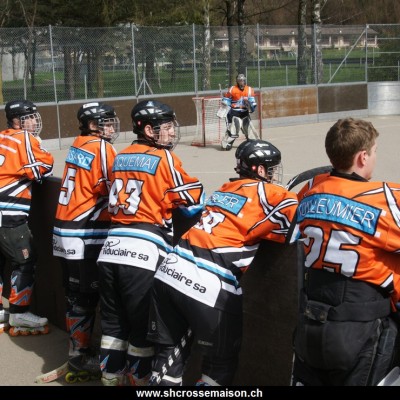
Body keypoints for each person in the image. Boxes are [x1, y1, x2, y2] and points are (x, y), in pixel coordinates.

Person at [147, 139, 299, 386]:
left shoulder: (224, 189)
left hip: (168, 272)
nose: (273, 174)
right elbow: (296, 230)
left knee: (168, 358)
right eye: (271, 169)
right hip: (210, 284)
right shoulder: (272, 194)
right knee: (220, 365)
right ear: (261, 170)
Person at [97, 99, 205, 386]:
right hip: (142, 253)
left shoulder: (120, 156)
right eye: (166, 127)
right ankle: (138, 381)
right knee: (142, 327)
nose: (172, 132)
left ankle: (110, 378)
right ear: (148, 129)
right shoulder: (164, 157)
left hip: (110, 250)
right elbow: (192, 197)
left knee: (113, 324)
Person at [289, 117, 400, 386]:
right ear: (363, 157)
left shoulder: (310, 191)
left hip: (310, 322)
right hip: (362, 328)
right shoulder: (386, 198)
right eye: (374, 151)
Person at [52, 102, 120, 380]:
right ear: (93, 125)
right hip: (84, 233)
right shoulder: (101, 147)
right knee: (89, 297)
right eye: (107, 122)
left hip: (63, 232)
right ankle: (82, 357)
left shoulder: (78, 144)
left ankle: (77, 350)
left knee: (76, 296)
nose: (112, 127)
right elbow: (114, 188)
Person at [0, 99, 54, 336]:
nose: (33, 121)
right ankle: (19, 313)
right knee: (25, 261)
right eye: (29, 117)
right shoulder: (25, 138)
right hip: (9, 215)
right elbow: (44, 168)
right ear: (16, 121)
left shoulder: (1, 137)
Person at [220, 74, 258, 151]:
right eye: (240, 80)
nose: (241, 82)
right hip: (234, 113)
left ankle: (252, 142)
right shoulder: (232, 89)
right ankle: (226, 144)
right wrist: (224, 104)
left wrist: (250, 105)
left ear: (245, 80)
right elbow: (227, 99)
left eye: (242, 80)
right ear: (237, 81)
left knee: (248, 128)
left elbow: (252, 102)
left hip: (244, 112)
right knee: (233, 129)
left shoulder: (249, 90)